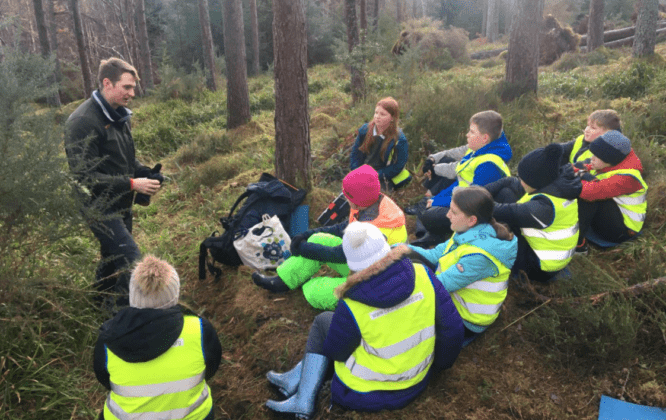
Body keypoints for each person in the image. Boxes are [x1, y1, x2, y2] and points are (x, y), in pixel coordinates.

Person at [263, 222, 464, 418]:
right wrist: (437, 369)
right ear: (387, 249)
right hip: (416, 382)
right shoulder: (424, 275)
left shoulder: (352, 303)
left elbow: (336, 353)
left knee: (323, 322)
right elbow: (453, 329)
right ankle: (294, 379)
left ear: (351, 264)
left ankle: (303, 402)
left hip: (364, 393)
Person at [65, 58, 163, 310]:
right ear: (107, 83)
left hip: (120, 201)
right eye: (127, 87)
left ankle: (99, 303)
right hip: (97, 206)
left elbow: (125, 157)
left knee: (112, 256)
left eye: (133, 87)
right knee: (130, 259)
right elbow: (84, 177)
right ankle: (122, 316)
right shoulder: (82, 122)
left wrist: (144, 172)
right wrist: (132, 183)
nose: (133, 93)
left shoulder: (119, 113)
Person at [252, 165, 407, 310]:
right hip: (362, 264)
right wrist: (306, 235)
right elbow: (342, 228)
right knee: (319, 238)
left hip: (378, 281)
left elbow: (339, 254)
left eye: (348, 196)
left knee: (312, 291)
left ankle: (350, 307)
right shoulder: (372, 203)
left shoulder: (377, 227)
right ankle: (284, 281)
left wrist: (303, 248)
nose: (345, 199)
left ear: (358, 201)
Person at [93, 255, 222, 420]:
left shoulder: (108, 338)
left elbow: (104, 379)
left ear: (133, 296)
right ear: (174, 296)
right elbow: (211, 368)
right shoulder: (199, 329)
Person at [408, 186, 517, 344]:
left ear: (472, 219)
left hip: (467, 319)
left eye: (453, 212)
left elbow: (437, 286)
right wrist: (401, 249)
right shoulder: (466, 231)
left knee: (408, 314)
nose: (447, 214)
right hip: (453, 295)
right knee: (411, 262)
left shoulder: (480, 256)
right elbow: (435, 255)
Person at [485, 143, 582, 282]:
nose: (520, 180)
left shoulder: (543, 208)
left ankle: (511, 272)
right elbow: (511, 181)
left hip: (542, 267)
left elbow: (502, 211)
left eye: (523, 178)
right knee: (507, 192)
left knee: (502, 222)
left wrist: (471, 200)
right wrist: (481, 191)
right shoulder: (556, 185)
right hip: (551, 253)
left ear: (535, 181)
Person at [413, 110, 512, 246]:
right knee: (427, 205)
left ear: (484, 138)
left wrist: (439, 201)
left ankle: (437, 235)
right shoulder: (481, 147)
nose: (467, 135)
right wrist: (437, 197)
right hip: (461, 194)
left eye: (472, 132)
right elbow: (460, 178)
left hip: (472, 210)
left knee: (429, 214)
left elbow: (473, 202)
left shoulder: (489, 165)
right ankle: (430, 233)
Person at [574, 131, 647, 253]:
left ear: (609, 159)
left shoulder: (628, 178)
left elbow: (590, 193)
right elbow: (583, 166)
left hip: (623, 231)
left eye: (596, 156)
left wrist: (572, 178)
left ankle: (578, 246)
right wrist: (573, 170)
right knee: (581, 176)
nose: (592, 158)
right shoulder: (613, 161)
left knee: (589, 194)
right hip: (613, 216)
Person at [349, 97, 411, 191]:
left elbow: (398, 165)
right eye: (376, 112)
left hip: (383, 176)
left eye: (382, 114)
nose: (377, 116)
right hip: (362, 173)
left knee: (369, 194)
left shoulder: (399, 139)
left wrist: (375, 175)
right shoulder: (364, 130)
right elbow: (355, 155)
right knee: (348, 191)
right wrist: (358, 173)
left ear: (392, 118)